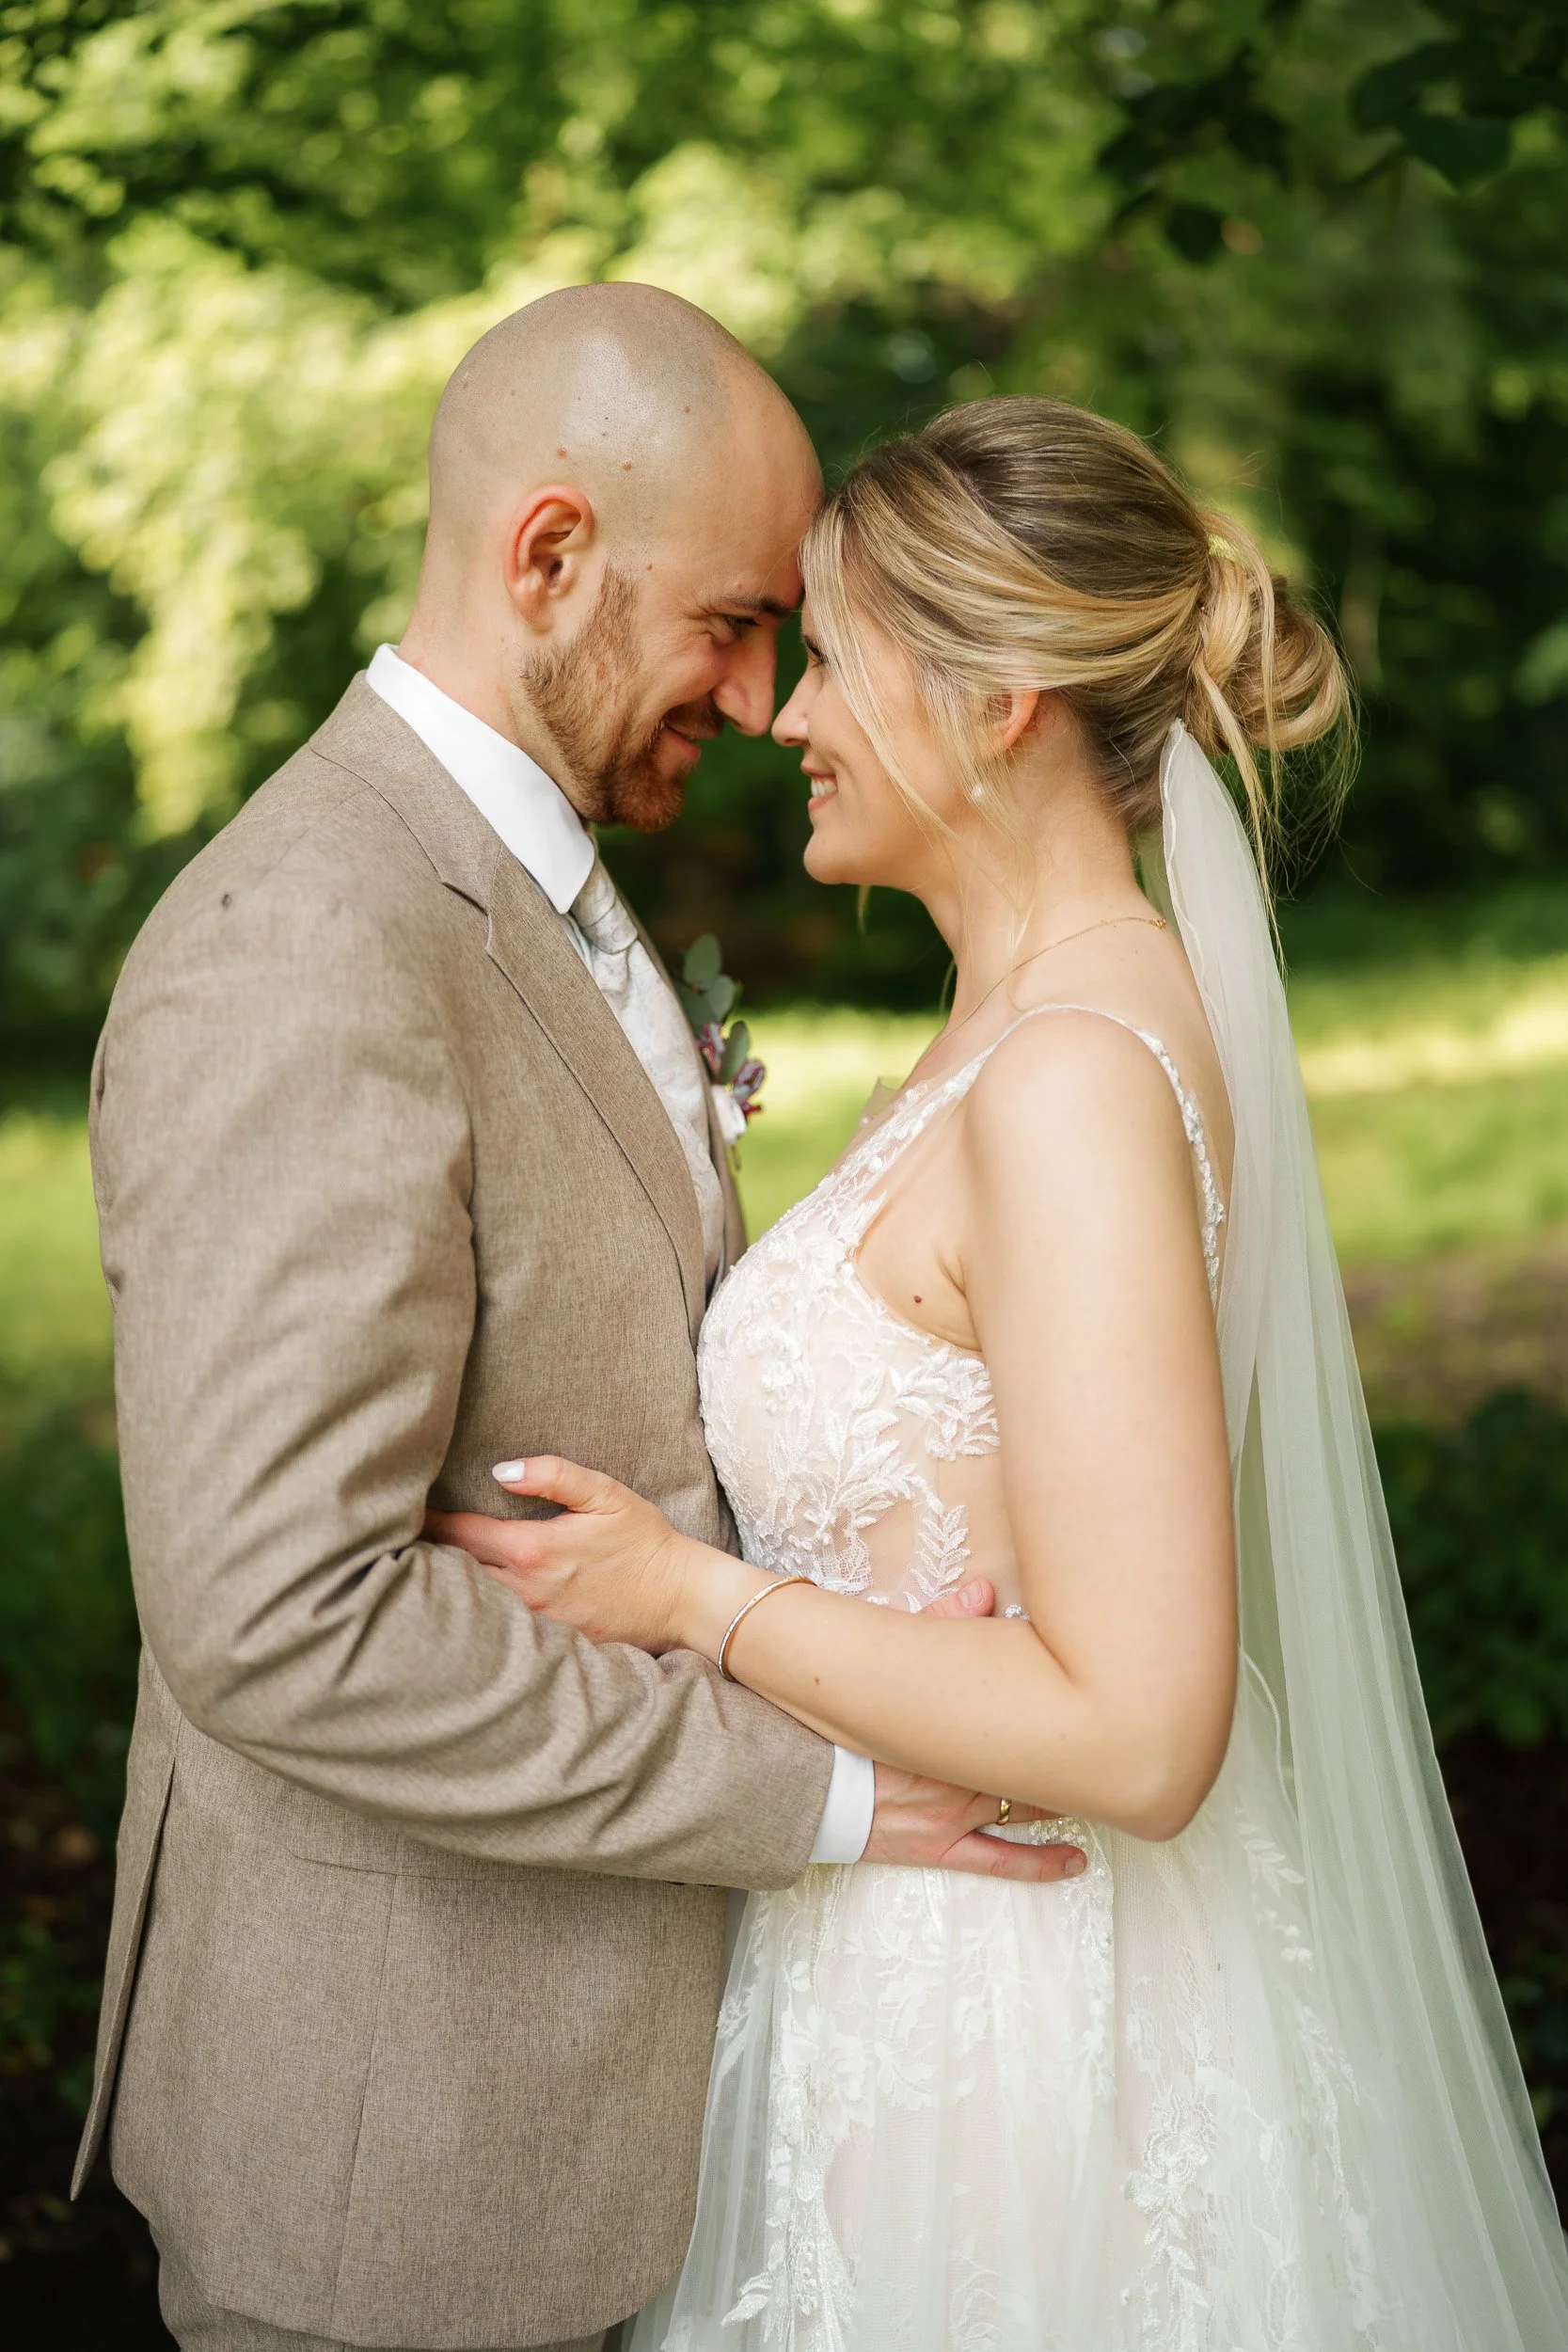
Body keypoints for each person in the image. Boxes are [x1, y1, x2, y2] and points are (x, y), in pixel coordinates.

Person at [438, 397, 1568, 2348]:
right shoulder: (1010, 1029)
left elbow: (1137, 1729)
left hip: (1020, 2035)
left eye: (834, 657)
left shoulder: (1066, 1079)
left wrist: (690, 1596)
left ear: (998, 697)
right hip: (892, 1971)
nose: (786, 714)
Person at [71, 291, 1085, 2352]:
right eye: (731, 621)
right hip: (400, 2163)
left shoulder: (532, 877)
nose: (763, 693)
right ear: (546, 554)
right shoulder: (306, 939)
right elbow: (283, 1615)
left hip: (617, 2102)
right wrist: (808, 1788)